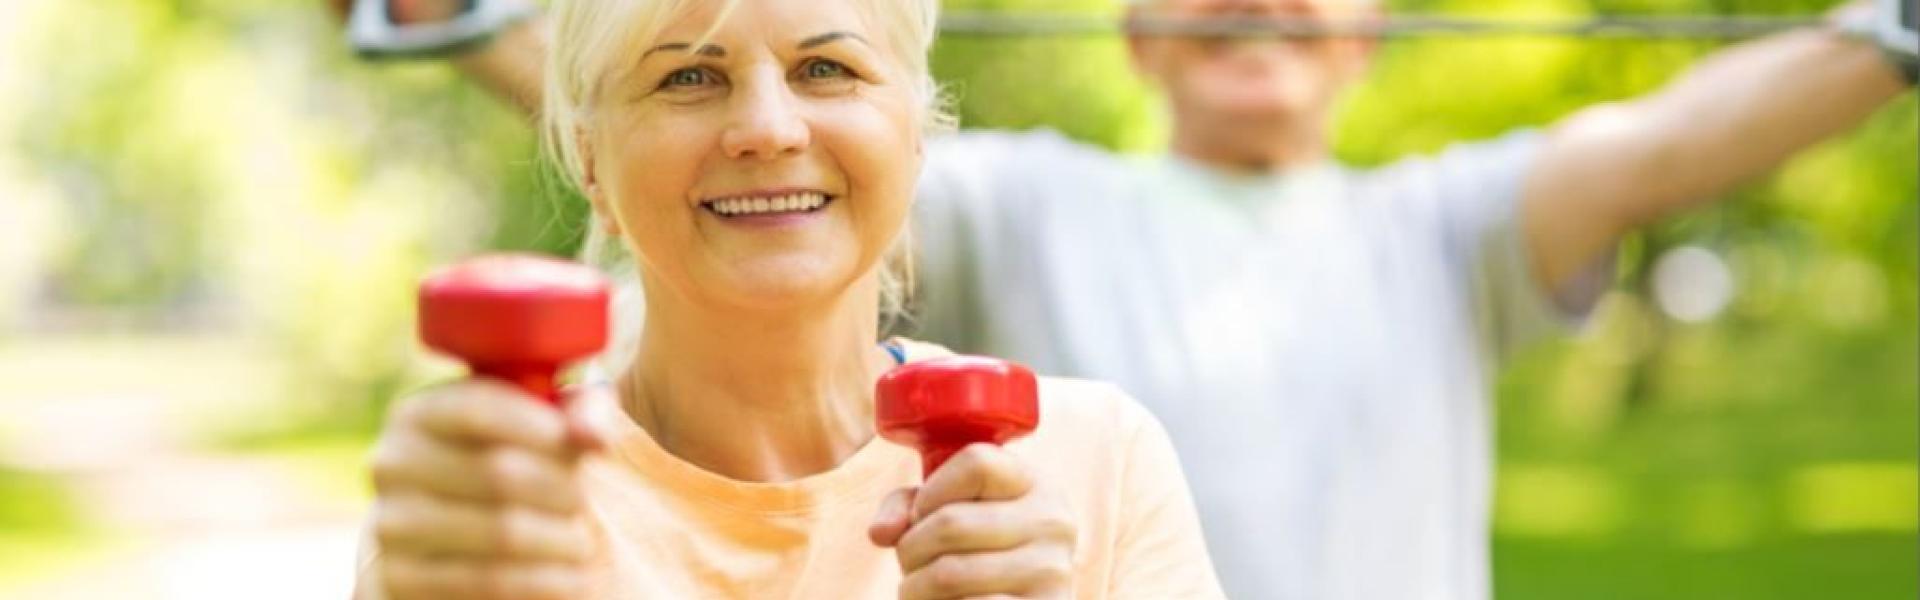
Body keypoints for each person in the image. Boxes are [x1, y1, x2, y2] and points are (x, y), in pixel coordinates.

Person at [335, 0, 1916, 597]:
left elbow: (1657, 148)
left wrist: (1886, 36)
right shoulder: (1031, 194)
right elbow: (735, 146)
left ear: (1367, 34)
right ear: (1138, 36)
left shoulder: (1440, 226)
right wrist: (455, 18)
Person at [351, 0, 1226, 598]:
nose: (768, 129)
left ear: (917, 136)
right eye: (687, 78)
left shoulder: (1096, 459)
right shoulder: (499, 500)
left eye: (825, 67)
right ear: (589, 161)